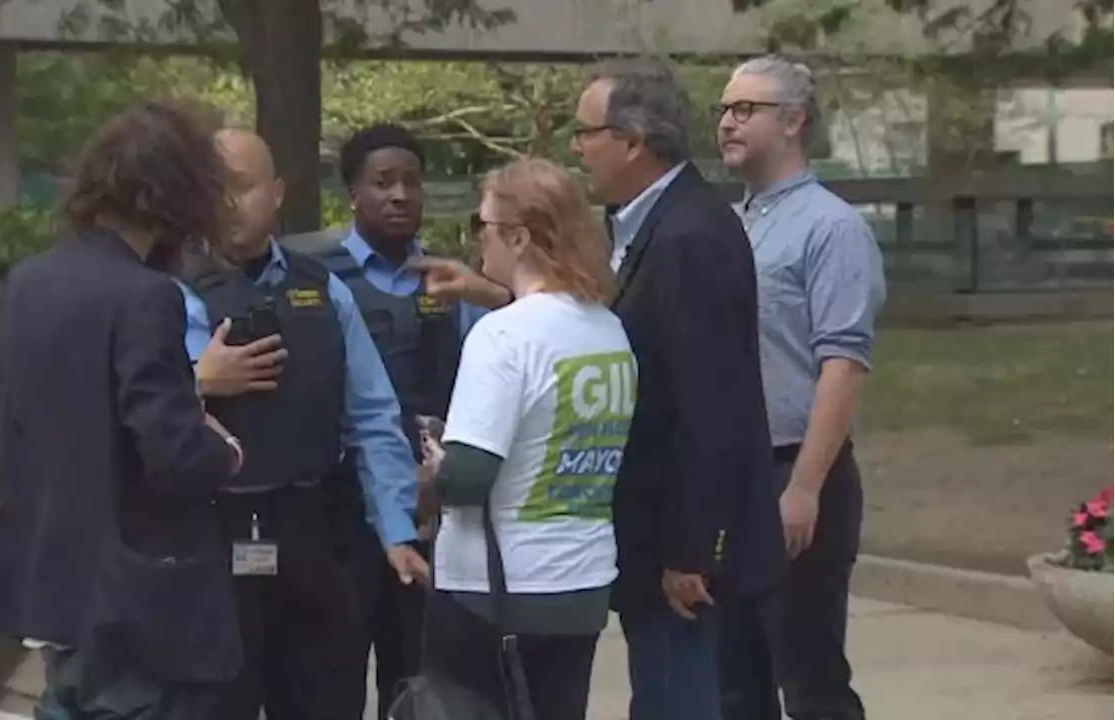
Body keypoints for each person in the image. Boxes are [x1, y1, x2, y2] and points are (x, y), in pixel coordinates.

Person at [414, 57, 785, 720]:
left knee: (677, 699)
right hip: (636, 541)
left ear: (634, 141)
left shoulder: (689, 235)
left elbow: (713, 407)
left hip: (677, 550)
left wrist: (690, 549)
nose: (578, 148)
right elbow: (576, 320)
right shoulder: (656, 222)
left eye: (587, 132)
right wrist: (497, 292)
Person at [0, 100, 244, 719]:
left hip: (48, 589)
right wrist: (223, 450)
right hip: (139, 605)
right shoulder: (146, 297)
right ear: (175, 192)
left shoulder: (28, 282)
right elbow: (172, 453)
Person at [178, 127, 430, 720]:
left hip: (312, 529)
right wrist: (198, 381)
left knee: (326, 697)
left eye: (242, 187)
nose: (228, 204)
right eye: (213, 190)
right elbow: (132, 407)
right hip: (209, 537)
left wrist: (395, 528)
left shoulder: (324, 290)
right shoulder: (169, 291)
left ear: (277, 192)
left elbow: (372, 415)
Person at [421, 157, 636, 720]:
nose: (478, 245)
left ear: (517, 238)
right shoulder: (606, 329)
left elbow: (468, 476)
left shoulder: (503, 337)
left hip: (494, 592)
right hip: (582, 580)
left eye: (482, 227)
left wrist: (431, 469)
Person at [715, 55, 886, 720]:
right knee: (734, 683)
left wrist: (805, 487)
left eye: (744, 109)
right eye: (724, 110)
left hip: (796, 472)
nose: (727, 122)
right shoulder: (731, 224)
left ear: (794, 121)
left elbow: (843, 364)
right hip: (731, 479)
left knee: (810, 684)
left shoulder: (832, 228)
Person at [308, 123, 484, 720]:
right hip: (336, 508)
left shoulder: (449, 281)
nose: (400, 195)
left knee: (416, 682)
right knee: (329, 676)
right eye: (383, 182)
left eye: (411, 181)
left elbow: (477, 385)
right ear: (352, 193)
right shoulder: (318, 278)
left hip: (425, 509)